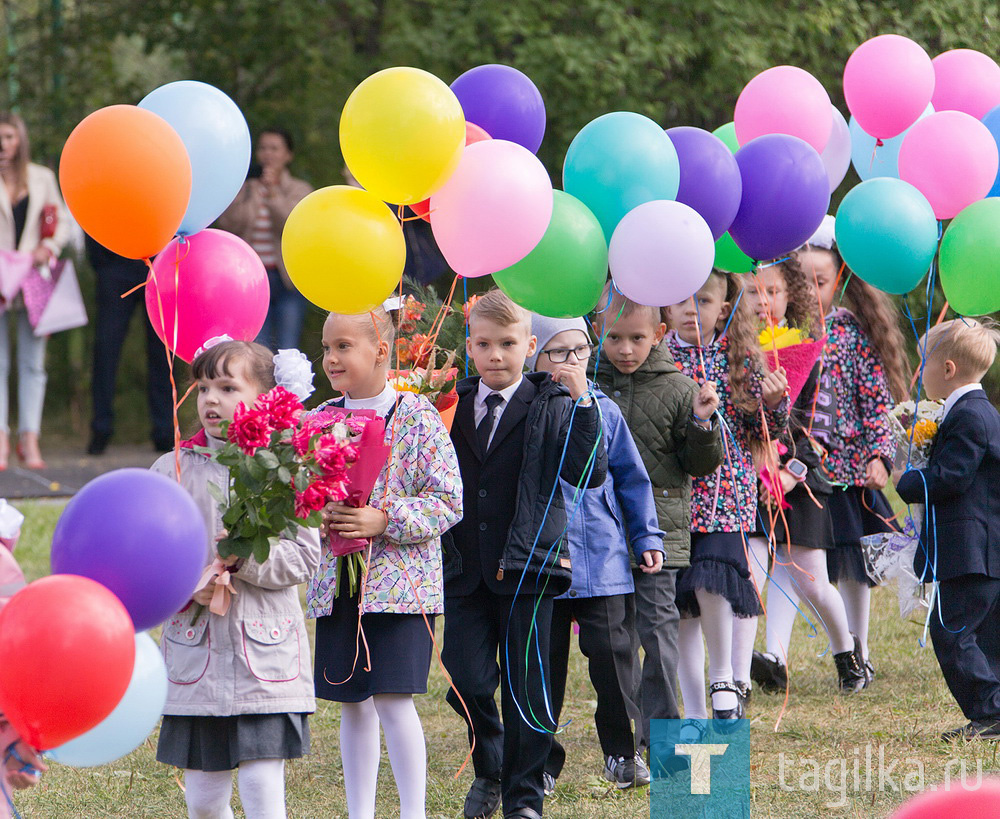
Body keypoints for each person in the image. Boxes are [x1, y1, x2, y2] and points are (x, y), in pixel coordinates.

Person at [443, 289, 606, 819]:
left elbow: (590, 471)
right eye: (485, 344)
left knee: (526, 690)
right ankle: (490, 768)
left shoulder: (554, 403)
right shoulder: (452, 405)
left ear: (530, 346)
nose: (495, 355)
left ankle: (524, 797)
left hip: (528, 566)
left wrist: (583, 402)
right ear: (470, 347)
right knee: (466, 678)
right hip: (465, 567)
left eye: (508, 344)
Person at [152, 340, 320, 819]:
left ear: (266, 397)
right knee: (203, 800)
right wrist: (189, 586)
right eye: (203, 387)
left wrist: (246, 560)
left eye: (227, 387)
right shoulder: (172, 469)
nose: (210, 399)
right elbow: (151, 562)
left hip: (262, 658)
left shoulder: (285, 468)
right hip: (196, 658)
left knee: (262, 785)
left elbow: (304, 558)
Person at [307, 306, 462, 819]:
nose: (331, 358)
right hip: (341, 587)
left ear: (381, 348)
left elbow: (448, 501)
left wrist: (384, 518)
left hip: (400, 589)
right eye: (327, 347)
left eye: (343, 346)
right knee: (352, 703)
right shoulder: (320, 420)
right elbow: (299, 498)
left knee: (394, 701)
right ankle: (361, 813)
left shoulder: (416, 417)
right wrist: (316, 506)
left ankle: (412, 812)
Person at [765, 216, 909, 686]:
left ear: (839, 280)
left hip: (845, 473)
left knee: (851, 568)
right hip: (793, 471)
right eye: (798, 282)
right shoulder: (782, 336)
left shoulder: (851, 335)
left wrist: (880, 457)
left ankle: (859, 649)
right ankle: (775, 657)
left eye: (820, 282)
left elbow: (876, 404)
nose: (810, 291)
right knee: (788, 561)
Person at [527, 314, 663, 792]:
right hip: (546, 561)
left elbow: (631, 478)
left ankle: (622, 755)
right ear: (535, 356)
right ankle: (540, 761)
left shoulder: (605, 409)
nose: (571, 363)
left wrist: (646, 537)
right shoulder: (529, 409)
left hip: (602, 561)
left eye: (580, 352)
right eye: (558, 353)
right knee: (546, 667)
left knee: (613, 656)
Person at [591, 284, 722, 745]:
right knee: (616, 639)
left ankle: (663, 730)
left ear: (660, 334)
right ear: (596, 331)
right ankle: (626, 732)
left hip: (659, 536)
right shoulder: (586, 385)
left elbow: (700, 464)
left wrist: (703, 422)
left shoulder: (681, 389)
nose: (625, 350)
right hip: (602, 534)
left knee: (659, 633)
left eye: (637, 339)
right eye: (613, 339)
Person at [663, 271, 788, 723]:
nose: (690, 310)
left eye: (703, 300)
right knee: (682, 608)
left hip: (723, 497)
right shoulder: (656, 354)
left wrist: (773, 406)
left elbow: (763, 433)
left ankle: (724, 678)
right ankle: (694, 709)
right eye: (680, 300)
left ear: (724, 307)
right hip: (673, 499)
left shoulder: (741, 360)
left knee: (712, 582)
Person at [740, 259, 868, 696]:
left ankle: (848, 655)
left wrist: (791, 473)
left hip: (801, 479)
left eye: (771, 292)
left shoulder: (809, 351)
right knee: (750, 574)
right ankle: (739, 678)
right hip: (752, 480)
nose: (762, 301)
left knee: (812, 578)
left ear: (789, 294)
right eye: (752, 292)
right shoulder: (733, 352)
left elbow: (820, 428)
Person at [896, 318, 1000, 741]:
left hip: (971, 548)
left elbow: (951, 477)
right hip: (984, 548)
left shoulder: (970, 417)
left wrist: (911, 479)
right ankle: (994, 709)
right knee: (987, 633)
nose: (920, 374)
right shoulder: (981, 412)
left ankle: (987, 711)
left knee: (951, 629)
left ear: (949, 369)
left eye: (925, 364)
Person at [0, 112, 71, 470]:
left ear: (20, 139)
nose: (3, 144)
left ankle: (30, 437)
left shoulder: (43, 178)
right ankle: (0, 438)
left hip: (33, 278)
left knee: (33, 362)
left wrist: (49, 248)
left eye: (9, 137)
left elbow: (61, 224)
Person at [217, 130, 312, 351]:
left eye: (275, 148)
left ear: (288, 155)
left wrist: (273, 195)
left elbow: (293, 226)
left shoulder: (300, 189)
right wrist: (247, 193)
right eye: (263, 148)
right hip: (251, 280)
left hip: (288, 281)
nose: (268, 154)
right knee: (256, 345)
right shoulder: (245, 187)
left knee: (288, 347)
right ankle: (261, 387)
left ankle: (287, 387)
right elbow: (229, 223)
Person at [86, 235, 174, 455]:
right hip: (115, 262)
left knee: (162, 352)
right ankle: (101, 428)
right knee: (106, 350)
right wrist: (102, 262)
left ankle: (164, 430)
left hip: (158, 263)